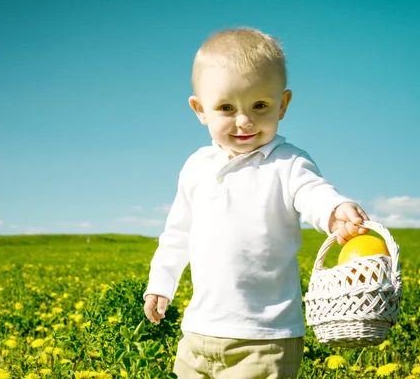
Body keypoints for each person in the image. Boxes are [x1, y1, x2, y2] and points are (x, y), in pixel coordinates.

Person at [143, 27, 369, 378]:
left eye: (259, 105)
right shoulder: (196, 166)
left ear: (283, 104)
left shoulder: (288, 162)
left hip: (266, 338)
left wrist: (334, 211)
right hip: (199, 331)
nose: (244, 120)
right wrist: (161, 283)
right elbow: (178, 233)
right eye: (226, 108)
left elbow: (313, 192)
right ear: (200, 110)